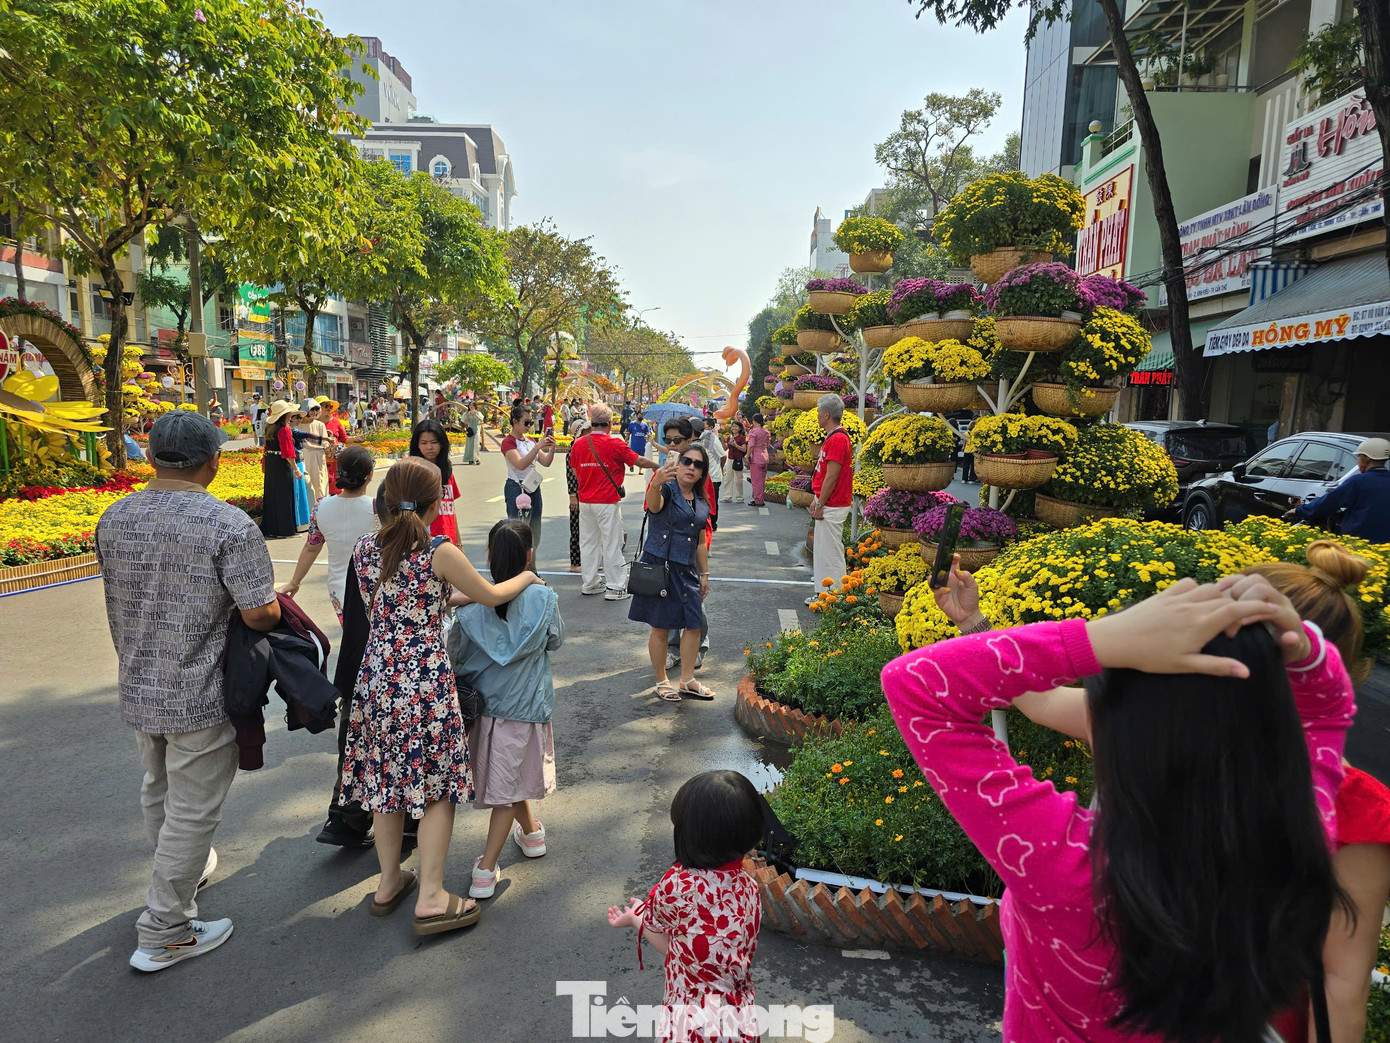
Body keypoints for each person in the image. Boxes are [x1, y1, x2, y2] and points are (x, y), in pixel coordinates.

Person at [888, 572, 1353, 1039]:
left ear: (1116, 723)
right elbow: (1329, 709)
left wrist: (1102, 639)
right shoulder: (1293, 838)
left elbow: (917, 685)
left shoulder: (1069, 871)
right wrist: (1303, 649)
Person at [95, 411, 281, 972]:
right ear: (213, 463)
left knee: (160, 790)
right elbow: (261, 612)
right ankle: (164, 930)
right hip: (199, 692)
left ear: (151, 458)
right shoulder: (227, 525)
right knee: (193, 811)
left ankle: (184, 872)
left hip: (138, 684)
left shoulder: (114, 518)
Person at [339, 458, 544, 937]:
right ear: (437, 503)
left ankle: (389, 882)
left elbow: (402, 600)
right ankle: (432, 896)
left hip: (375, 680)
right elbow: (493, 594)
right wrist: (528, 579)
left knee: (385, 784)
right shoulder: (437, 549)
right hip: (423, 682)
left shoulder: (366, 547)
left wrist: (447, 598)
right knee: (435, 787)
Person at [448, 520, 564, 900]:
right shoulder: (543, 597)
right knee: (508, 784)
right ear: (529, 555)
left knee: (506, 778)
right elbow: (556, 640)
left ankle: (531, 835)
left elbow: (457, 655)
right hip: (526, 706)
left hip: (485, 706)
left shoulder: (470, 603)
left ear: (489, 557)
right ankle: (486, 870)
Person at [606, 771, 763, 1042]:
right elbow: (697, 949)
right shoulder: (749, 889)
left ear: (689, 836)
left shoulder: (678, 886)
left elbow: (667, 941)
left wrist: (634, 917)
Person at [630, 445, 715, 701]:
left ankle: (687, 679)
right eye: (687, 461)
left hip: (687, 571)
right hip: (662, 568)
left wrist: (705, 574)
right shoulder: (665, 491)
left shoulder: (701, 502)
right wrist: (655, 483)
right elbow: (654, 507)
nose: (691, 467)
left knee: (694, 625)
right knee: (661, 628)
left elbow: (700, 541)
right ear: (677, 464)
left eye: (698, 464)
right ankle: (661, 680)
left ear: (702, 473)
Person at [280, 446, 377, 624]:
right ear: (370, 475)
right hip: (375, 586)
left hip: (338, 587)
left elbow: (311, 547)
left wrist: (295, 582)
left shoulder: (321, 507)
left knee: (351, 635)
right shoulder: (378, 508)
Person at [571, 404, 658, 600]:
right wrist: (656, 465)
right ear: (610, 425)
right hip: (607, 501)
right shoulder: (615, 444)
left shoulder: (579, 444)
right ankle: (616, 586)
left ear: (591, 423)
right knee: (611, 543)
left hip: (585, 501)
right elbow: (637, 461)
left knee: (588, 543)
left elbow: (575, 471)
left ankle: (590, 582)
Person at [1285, 436, 1390, 542]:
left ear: (1366, 458)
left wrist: (1299, 510)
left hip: (1361, 541)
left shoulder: (1358, 481)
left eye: (1359, 456)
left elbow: (1330, 502)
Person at [807, 394, 853, 607]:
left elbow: (832, 476)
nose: (817, 416)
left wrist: (821, 502)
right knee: (825, 550)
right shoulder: (835, 437)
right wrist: (818, 499)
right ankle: (826, 593)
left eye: (818, 413)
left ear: (826, 415)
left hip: (832, 504)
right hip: (829, 502)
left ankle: (832, 596)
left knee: (830, 552)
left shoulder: (837, 439)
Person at [501, 403, 555, 559]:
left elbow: (546, 462)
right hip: (517, 489)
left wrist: (551, 448)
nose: (529, 426)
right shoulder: (509, 442)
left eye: (531, 422)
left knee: (534, 532)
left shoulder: (530, 440)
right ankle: (515, 569)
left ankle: (532, 569)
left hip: (533, 488)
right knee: (518, 532)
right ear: (515, 421)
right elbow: (520, 463)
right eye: (526, 422)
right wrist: (538, 446)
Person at [409, 419, 460, 546]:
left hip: (449, 539)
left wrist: (459, 543)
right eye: (424, 443)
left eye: (434, 442)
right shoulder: (414, 473)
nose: (429, 447)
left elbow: (452, 510)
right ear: (417, 445)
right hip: (427, 541)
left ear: (442, 443)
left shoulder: (447, 471)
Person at [260, 400, 304, 539]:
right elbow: (288, 452)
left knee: (272, 495)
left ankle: (272, 528)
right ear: (285, 415)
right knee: (284, 495)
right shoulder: (284, 430)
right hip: (281, 463)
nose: (291, 415)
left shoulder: (270, 428)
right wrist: (296, 469)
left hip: (271, 463)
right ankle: (284, 530)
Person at [566, 418, 590, 573]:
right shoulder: (573, 450)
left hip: (589, 493)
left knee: (589, 529)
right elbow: (570, 475)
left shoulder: (587, 447)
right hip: (578, 494)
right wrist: (572, 495)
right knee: (576, 528)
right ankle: (575, 563)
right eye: (587, 431)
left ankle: (587, 560)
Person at [296, 398, 330, 502]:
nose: (315, 412)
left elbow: (325, 443)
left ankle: (321, 510)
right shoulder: (298, 425)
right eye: (312, 409)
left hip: (318, 459)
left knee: (319, 484)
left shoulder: (320, 425)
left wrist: (329, 447)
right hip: (303, 459)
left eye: (317, 409)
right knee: (306, 485)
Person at [693, 417, 726, 512]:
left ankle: (713, 524)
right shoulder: (699, 439)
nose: (702, 430)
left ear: (711, 427)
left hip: (713, 477)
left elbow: (723, 456)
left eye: (704, 427)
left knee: (712, 503)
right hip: (702, 477)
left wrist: (721, 468)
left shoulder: (713, 439)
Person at [318, 397, 348, 495]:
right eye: (326, 406)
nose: (328, 409)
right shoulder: (312, 423)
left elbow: (344, 438)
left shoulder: (335, 422)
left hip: (333, 459)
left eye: (330, 406)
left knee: (334, 484)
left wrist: (357, 438)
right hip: (318, 457)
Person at [746, 414, 770, 507]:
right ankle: (761, 498)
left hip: (756, 457)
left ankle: (758, 500)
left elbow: (751, 445)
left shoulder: (753, 432)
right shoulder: (766, 431)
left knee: (756, 480)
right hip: (764, 456)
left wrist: (747, 456)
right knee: (762, 480)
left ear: (754, 421)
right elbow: (767, 444)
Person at [722, 419, 747, 504]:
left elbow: (744, 449)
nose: (734, 428)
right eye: (732, 426)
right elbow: (725, 448)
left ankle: (740, 497)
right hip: (730, 459)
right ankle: (727, 496)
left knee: (738, 479)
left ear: (739, 428)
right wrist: (723, 440)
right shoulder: (729, 437)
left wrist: (736, 445)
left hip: (738, 459)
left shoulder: (742, 438)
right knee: (728, 478)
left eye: (736, 426)